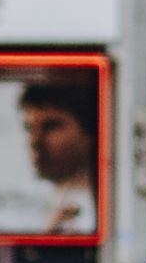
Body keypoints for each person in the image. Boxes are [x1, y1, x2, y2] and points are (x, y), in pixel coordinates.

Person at [15, 79, 98, 235]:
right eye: (28, 128)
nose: (34, 141)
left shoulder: (92, 207)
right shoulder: (53, 197)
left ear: (90, 133)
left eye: (51, 127)